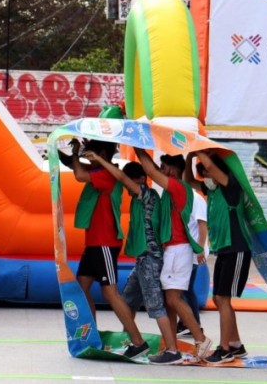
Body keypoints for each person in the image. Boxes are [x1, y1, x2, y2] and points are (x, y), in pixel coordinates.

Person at [84, 153, 187, 365]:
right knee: (127, 300)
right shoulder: (138, 198)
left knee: (156, 306)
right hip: (142, 260)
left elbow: (122, 179)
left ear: (140, 179)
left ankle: (172, 350)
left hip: (150, 260)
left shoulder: (147, 195)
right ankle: (133, 341)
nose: (127, 188)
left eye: (131, 182)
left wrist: (103, 160)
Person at [72, 140, 150, 360]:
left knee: (110, 292)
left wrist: (77, 154)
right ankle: (91, 335)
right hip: (94, 242)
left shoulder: (107, 175)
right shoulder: (100, 170)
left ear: (102, 154)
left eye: (92, 154)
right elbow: (77, 167)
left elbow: (79, 175)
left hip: (104, 242)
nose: (88, 158)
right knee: (82, 286)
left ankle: (138, 341)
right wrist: (70, 154)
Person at [133, 147, 212, 364]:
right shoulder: (173, 190)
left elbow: (148, 169)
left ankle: (200, 339)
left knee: (173, 298)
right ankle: (172, 349)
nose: (161, 171)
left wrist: (136, 145)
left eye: (164, 167)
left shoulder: (177, 187)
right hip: (173, 250)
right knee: (170, 301)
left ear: (175, 170)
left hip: (179, 250)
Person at [192, 150, 252, 363]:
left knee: (223, 299)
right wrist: (189, 155)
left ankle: (224, 348)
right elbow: (188, 180)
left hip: (237, 248)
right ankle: (235, 344)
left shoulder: (230, 187)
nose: (206, 177)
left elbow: (211, 167)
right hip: (225, 250)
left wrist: (199, 148)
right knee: (219, 298)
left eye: (208, 172)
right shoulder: (214, 191)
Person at [178, 156, 209, 336]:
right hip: (187, 250)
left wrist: (199, 249)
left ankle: (194, 325)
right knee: (182, 288)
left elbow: (202, 225)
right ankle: (186, 323)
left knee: (186, 288)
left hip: (194, 251)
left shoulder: (197, 199)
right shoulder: (184, 196)